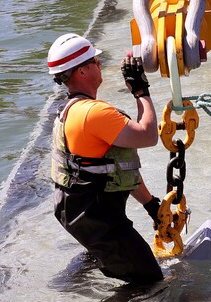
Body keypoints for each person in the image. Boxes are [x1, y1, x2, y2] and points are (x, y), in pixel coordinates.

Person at [46, 33, 165, 284]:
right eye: (95, 61)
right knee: (150, 282)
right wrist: (141, 90)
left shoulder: (71, 110)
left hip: (78, 213)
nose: (100, 65)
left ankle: (86, 270)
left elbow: (116, 167)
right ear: (81, 72)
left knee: (120, 258)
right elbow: (148, 135)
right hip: (98, 220)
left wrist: (150, 204)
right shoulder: (95, 113)